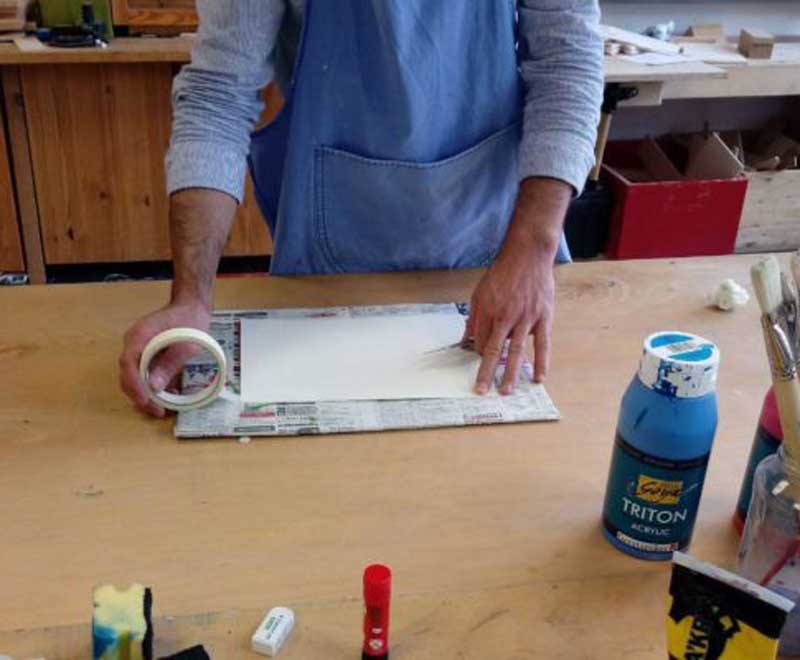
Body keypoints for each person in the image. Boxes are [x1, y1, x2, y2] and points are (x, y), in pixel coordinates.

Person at [120, 1, 603, 417]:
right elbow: (218, 96)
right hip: (331, 257)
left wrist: (534, 247)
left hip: (502, 249)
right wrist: (191, 298)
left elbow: (567, 65)